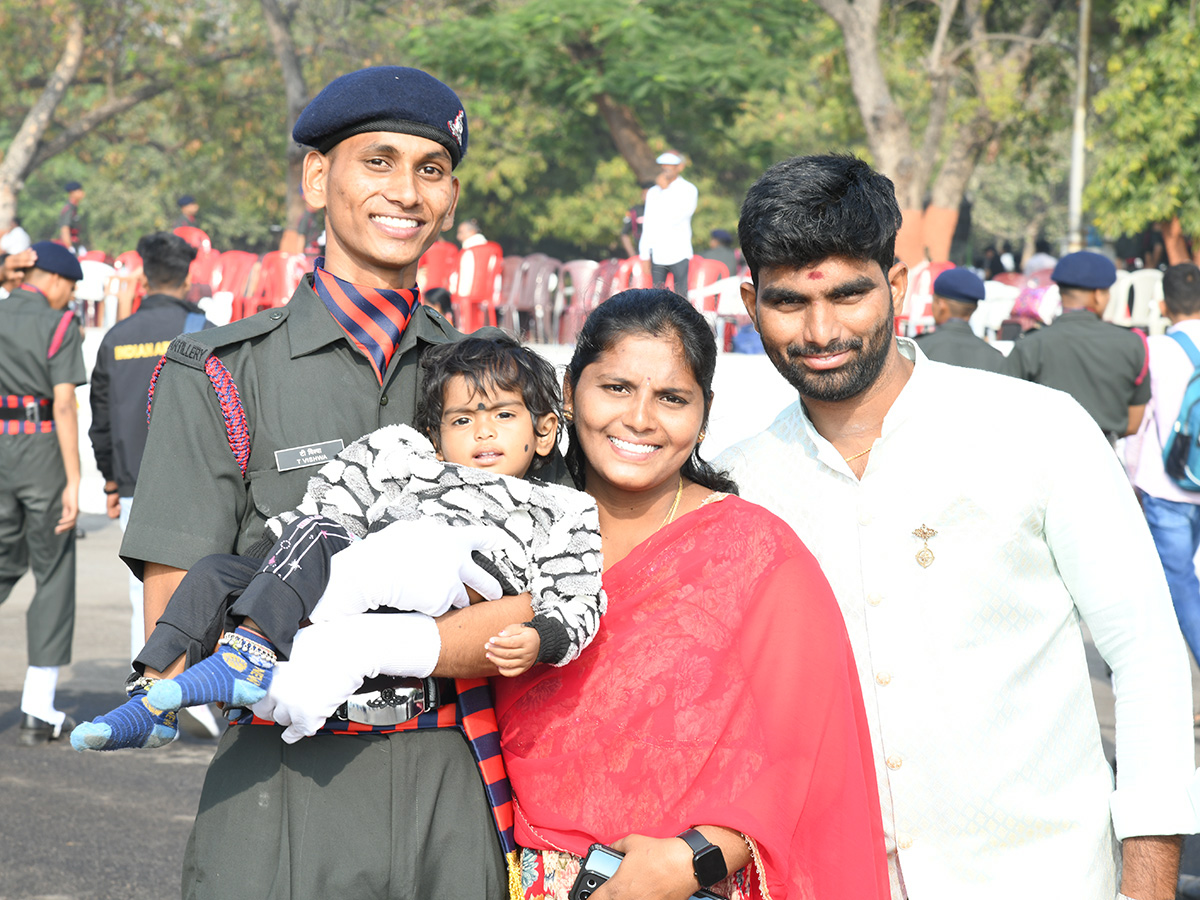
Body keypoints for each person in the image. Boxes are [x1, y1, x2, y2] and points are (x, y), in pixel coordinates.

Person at [719, 153, 1199, 899]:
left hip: (1045, 879)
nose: (821, 330)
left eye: (850, 295)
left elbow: (1146, 657)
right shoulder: (738, 487)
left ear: (898, 287)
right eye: (789, 303)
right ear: (749, 304)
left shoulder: (1034, 430)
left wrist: (1148, 883)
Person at [117, 67, 534, 898]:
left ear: (449, 197)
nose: (406, 192)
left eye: (430, 169)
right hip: (282, 792)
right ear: (319, 179)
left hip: (455, 792)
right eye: (377, 161)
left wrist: (340, 634)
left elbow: (535, 598)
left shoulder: (493, 382)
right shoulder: (221, 375)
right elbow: (180, 618)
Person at [493, 289, 889, 900]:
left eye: (672, 398)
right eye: (617, 388)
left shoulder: (754, 552)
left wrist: (691, 861)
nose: (641, 419)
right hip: (521, 879)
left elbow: (805, 756)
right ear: (570, 393)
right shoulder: (508, 535)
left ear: (703, 416)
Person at [74, 334, 603, 751]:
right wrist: (257, 579)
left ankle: (246, 653)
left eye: (503, 416)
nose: (483, 433)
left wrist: (545, 638)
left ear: (545, 430)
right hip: (370, 569)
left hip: (458, 572)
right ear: (439, 440)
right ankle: (151, 695)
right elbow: (325, 508)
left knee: (336, 537)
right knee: (216, 571)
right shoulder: (409, 463)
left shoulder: (561, 506)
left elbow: (578, 593)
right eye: (463, 420)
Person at [88, 232, 209, 655]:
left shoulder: (116, 337)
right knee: (200, 593)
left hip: (134, 486)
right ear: (187, 276)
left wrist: (110, 482)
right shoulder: (206, 332)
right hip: (198, 489)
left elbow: (100, 421)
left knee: (143, 595)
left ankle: (150, 695)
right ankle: (196, 695)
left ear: (144, 277)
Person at [0, 241, 85, 745]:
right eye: (69, 288)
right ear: (53, 279)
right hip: (40, 454)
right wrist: (74, 481)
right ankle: (38, 707)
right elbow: (64, 407)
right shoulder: (58, 325)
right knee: (53, 572)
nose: (68, 298)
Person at [1127, 263, 1200, 676]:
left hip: (1167, 486)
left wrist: (1133, 479)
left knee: (1178, 585)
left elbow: (1140, 426)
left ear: (1164, 304)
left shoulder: (1153, 349)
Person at [1006, 251, 1150, 444]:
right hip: (1104, 462)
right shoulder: (1133, 343)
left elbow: (1007, 414)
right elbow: (1133, 425)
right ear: (1098, 295)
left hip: (1042, 463)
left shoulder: (1029, 345)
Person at [913, 267, 1006, 372]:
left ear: (941, 304)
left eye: (933, 300)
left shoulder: (917, 350)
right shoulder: (996, 358)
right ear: (975, 308)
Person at [639, 151, 698, 294]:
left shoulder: (688, 189)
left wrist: (665, 191)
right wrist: (644, 254)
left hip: (679, 251)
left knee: (681, 295)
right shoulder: (653, 192)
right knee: (656, 296)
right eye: (663, 166)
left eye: (670, 166)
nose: (665, 169)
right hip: (658, 253)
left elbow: (677, 216)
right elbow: (649, 224)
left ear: (679, 167)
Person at [56, 182, 85, 254]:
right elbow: (65, 229)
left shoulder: (74, 208)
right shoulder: (69, 209)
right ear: (72, 193)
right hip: (69, 246)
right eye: (79, 191)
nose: (82, 193)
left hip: (75, 245)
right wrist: (69, 247)